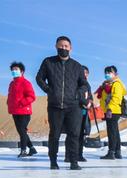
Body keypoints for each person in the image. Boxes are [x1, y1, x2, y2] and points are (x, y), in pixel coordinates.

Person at [36, 35, 89, 170]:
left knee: (74, 134)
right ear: (56, 47)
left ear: (70, 48)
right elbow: (39, 78)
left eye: (66, 46)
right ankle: (53, 161)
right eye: (61, 46)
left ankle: (73, 162)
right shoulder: (48, 62)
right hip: (55, 106)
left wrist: (77, 94)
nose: (63, 48)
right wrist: (49, 90)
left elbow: (84, 84)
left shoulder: (76, 66)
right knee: (54, 134)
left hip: (73, 106)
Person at [6, 61, 37, 158]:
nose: (14, 71)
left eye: (16, 69)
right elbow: (10, 96)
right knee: (21, 131)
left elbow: (32, 97)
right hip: (14, 111)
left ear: (22, 71)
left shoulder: (26, 83)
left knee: (22, 131)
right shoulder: (11, 84)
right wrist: (8, 103)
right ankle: (32, 148)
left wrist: (21, 103)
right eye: (13, 70)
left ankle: (23, 150)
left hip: (24, 111)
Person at [96, 65, 126, 160]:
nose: (107, 74)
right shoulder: (107, 85)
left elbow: (116, 98)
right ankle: (117, 152)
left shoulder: (116, 84)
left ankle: (111, 152)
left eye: (109, 72)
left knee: (111, 132)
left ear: (115, 74)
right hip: (110, 110)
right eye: (106, 72)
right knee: (115, 131)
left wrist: (109, 109)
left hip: (112, 111)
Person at [77, 66, 93, 163]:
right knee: (74, 133)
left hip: (85, 112)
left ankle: (80, 154)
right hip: (76, 111)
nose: (85, 74)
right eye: (83, 72)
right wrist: (84, 102)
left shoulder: (88, 85)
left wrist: (90, 102)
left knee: (82, 134)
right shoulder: (76, 82)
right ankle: (69, 155)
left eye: (86, 72)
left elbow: (90, 96)